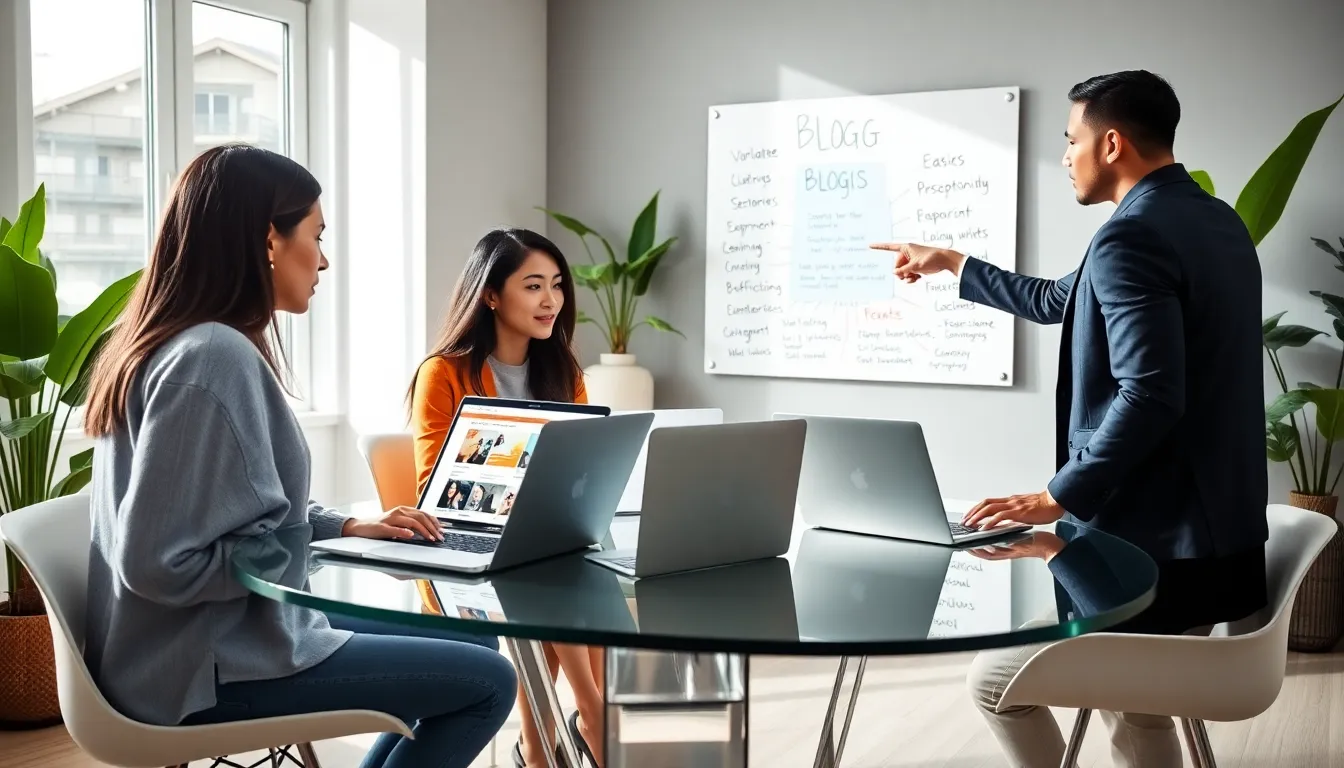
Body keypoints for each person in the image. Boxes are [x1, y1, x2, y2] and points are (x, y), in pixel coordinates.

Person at [871, 70, 1268, 768]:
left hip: (1160, 553)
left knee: (996, 682)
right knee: (1136, 706)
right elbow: (1060, 298)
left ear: (1111, 144)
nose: (1064, 157)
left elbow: (1151, 394)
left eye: (1070, 140)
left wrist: (1057, 496)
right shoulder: (1215, 220)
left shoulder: (1131, 236)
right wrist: (953, 263)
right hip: (1221, 547)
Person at [82, 144, 516, 768]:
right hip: (200, 671)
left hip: (217, 643)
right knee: (488, 683)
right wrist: (291, 554)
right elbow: (155, 564)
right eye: (316, 235)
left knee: (476, 644)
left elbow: (234, 509)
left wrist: (345, 526)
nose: (324, 259)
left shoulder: (180, 345)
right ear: (269, 240)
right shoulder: (212, 358)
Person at [407, 228, 606, 768]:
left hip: (546, 545)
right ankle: (592, 715)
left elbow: (582, 475)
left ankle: (541, 746)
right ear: (491, 294)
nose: (551, 301)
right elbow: (434, 489)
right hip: (464, 548)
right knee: (556, 570)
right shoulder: (442, 373)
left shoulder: (564, 373)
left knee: (570, 561)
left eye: (557, 285)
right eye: (533, 286)